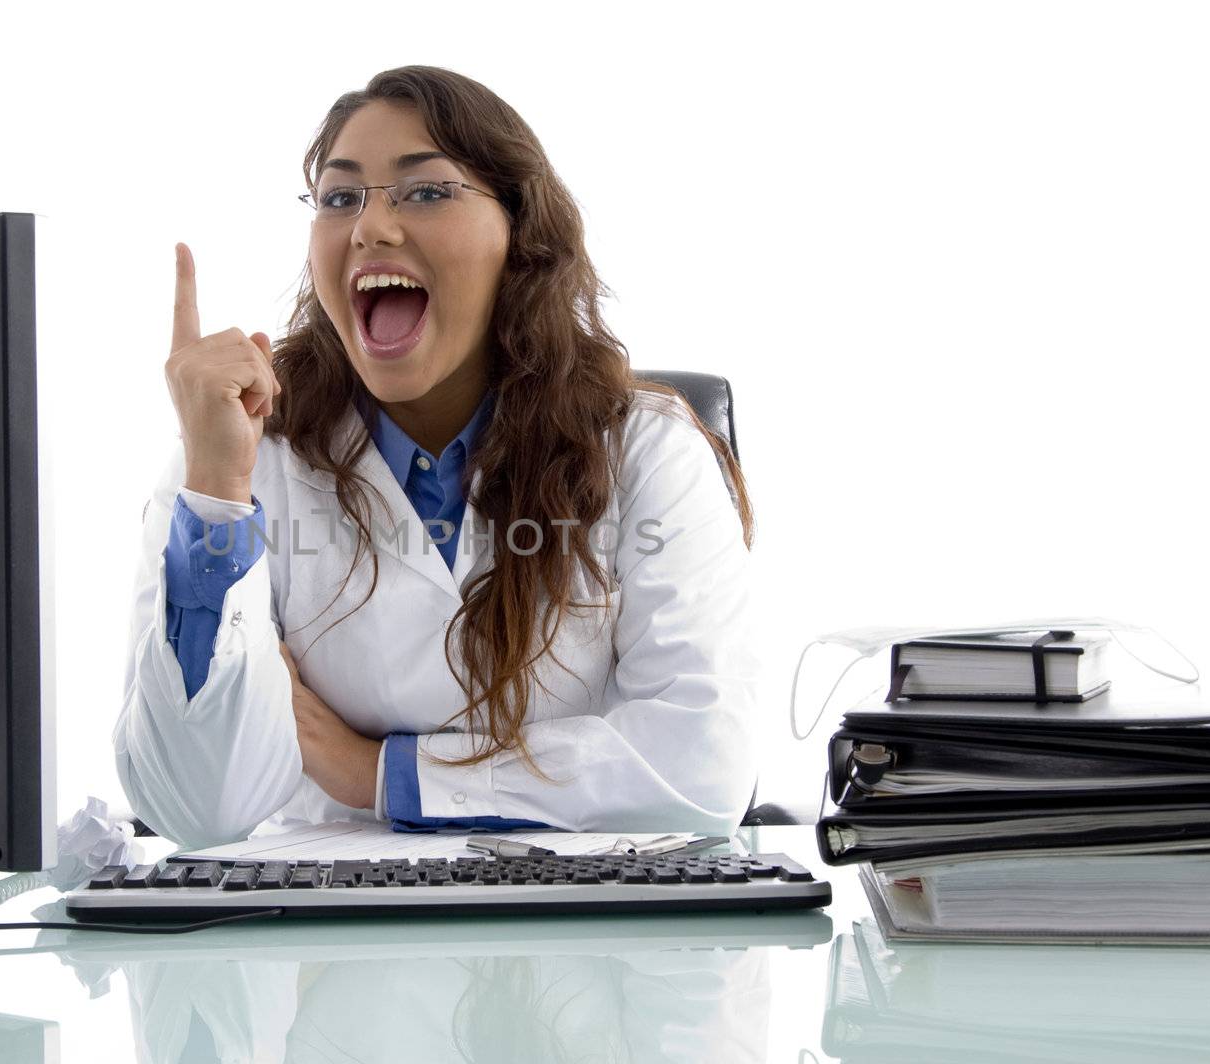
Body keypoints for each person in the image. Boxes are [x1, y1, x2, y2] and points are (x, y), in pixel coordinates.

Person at [115, 65, 761, 849]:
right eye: (340, 198)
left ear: (519, 234)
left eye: (424, 191)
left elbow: (701, 769)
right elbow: (196, 809)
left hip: (584, 940)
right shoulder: (243, 460)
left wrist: (377, 774)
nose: (371, 229)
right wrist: (217, 493)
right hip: (326, 945)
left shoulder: (648, 450)